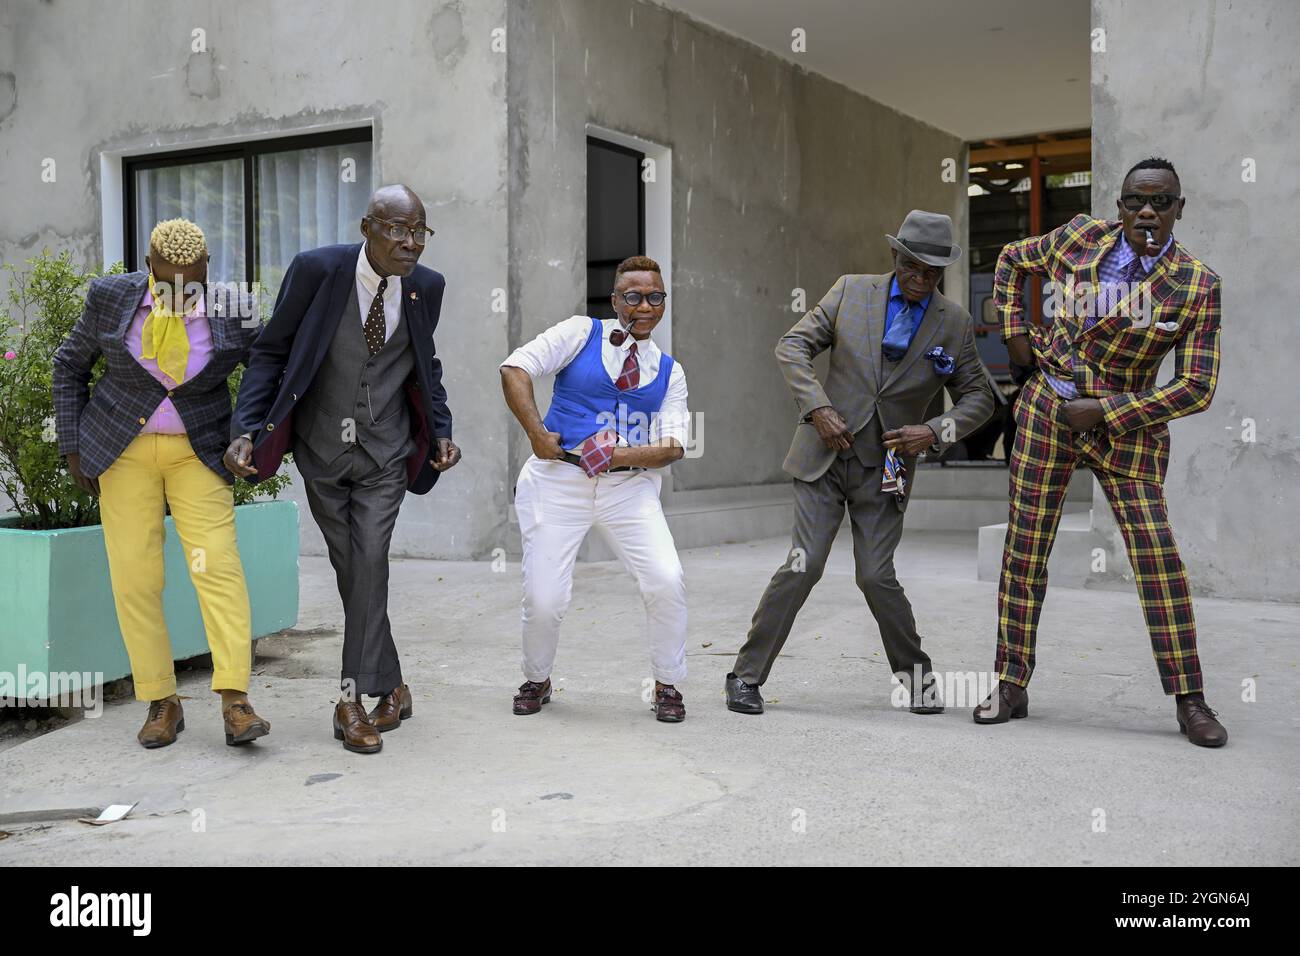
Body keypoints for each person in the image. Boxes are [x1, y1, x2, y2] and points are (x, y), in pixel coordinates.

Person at [974, 157, 1227, 748]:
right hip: (1046, 411)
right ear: (1119, 206)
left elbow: (1197, 387)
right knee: (1024, 549)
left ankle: (1189, 697)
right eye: (1137, 200)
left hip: (1127, 428)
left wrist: (1107, 412)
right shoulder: (1080, 238)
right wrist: (1015, 334)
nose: (1147, 211)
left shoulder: (1196, 285)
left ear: (1179, 210)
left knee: (1158, 561)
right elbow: (1011, 261)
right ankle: (1011, 682)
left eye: (1161, 202)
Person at [727, 210, 994, 716]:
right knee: (803, 565)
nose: (922, 279)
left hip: (888, 467)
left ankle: (916, 680)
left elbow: (980, 396)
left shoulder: (953, 321)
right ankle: (744, 676)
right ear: (896, 257)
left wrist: (935, 431)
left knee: (875, 576)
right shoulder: (851, 291)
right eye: (914, 267)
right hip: (822, 458)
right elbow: (792, 346)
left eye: (933, 272)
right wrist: (818, 406)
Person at [226, 185, 460, 754]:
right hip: (322, 448)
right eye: (398, 230)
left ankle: (350, 700)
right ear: (367, 227)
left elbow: (423, 363)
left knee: (370, 558)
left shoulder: (426, 287)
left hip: (385, 452)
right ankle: (395, 685)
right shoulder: (317, 271)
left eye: (419, 232)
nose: (410, 243)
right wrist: (246, 427)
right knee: (355, 570)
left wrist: (444, 429)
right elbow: (271, 352)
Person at [52, 218, 268, 749]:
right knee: (136, 577)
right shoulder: (110, 297)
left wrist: (247, 434)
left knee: (217, 566)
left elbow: (265, 370)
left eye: (191, 283)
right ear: (149, 267)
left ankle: (235, 699)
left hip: (199, 451)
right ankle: (160, 700)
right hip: (120, 452)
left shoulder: (232, 307)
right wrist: (73, 446)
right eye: (168, 283)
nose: (179, 294)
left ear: (208, 269)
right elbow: (69, 364)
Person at [499, 255, 691, 722]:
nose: (644, 306)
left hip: (629, 491)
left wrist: (618, 455)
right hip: (558, 481)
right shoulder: (578, 332)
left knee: (666, 579)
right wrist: (536, 434)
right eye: (633, 296)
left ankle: (667, 684)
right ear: (615, 299)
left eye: (655, 297)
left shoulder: (670, 371)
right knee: (545, 598)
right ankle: (537, 677)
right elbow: (514, 369)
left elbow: (673, 447)